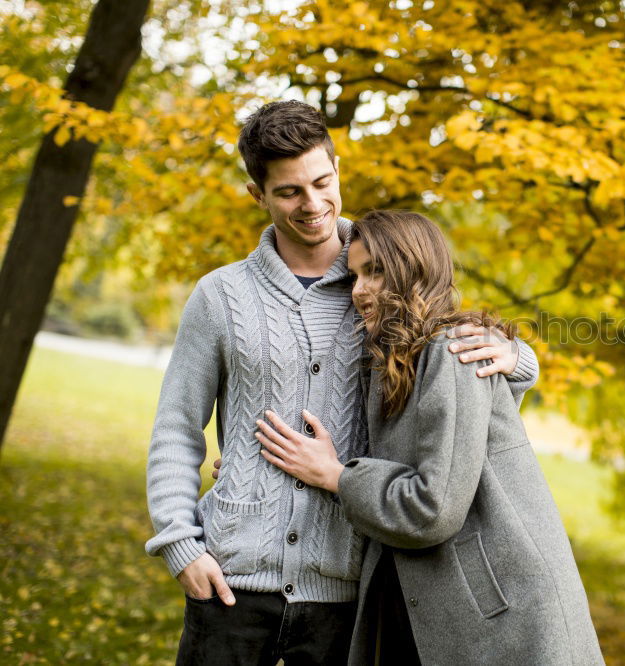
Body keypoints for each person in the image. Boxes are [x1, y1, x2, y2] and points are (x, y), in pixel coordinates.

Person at [144, 101, 539, 665]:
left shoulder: (386, 278)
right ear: (258, 195)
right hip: (231, 582)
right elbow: (177, 427)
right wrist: (181, 545)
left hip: (349, 592)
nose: (312, 205)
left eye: (322, 182)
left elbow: (455, 380)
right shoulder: (220, 297)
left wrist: (517, 357)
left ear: (337, 168)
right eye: (288, 192)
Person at [256, 210, 604, 665]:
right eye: (356, 274)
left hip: (499, 615)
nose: (360, 289)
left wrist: (337, 477)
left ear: (413, 269)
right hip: (424, 600)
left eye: (376, 271)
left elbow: (433, 509)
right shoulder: (390, 359)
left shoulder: (451, 349)